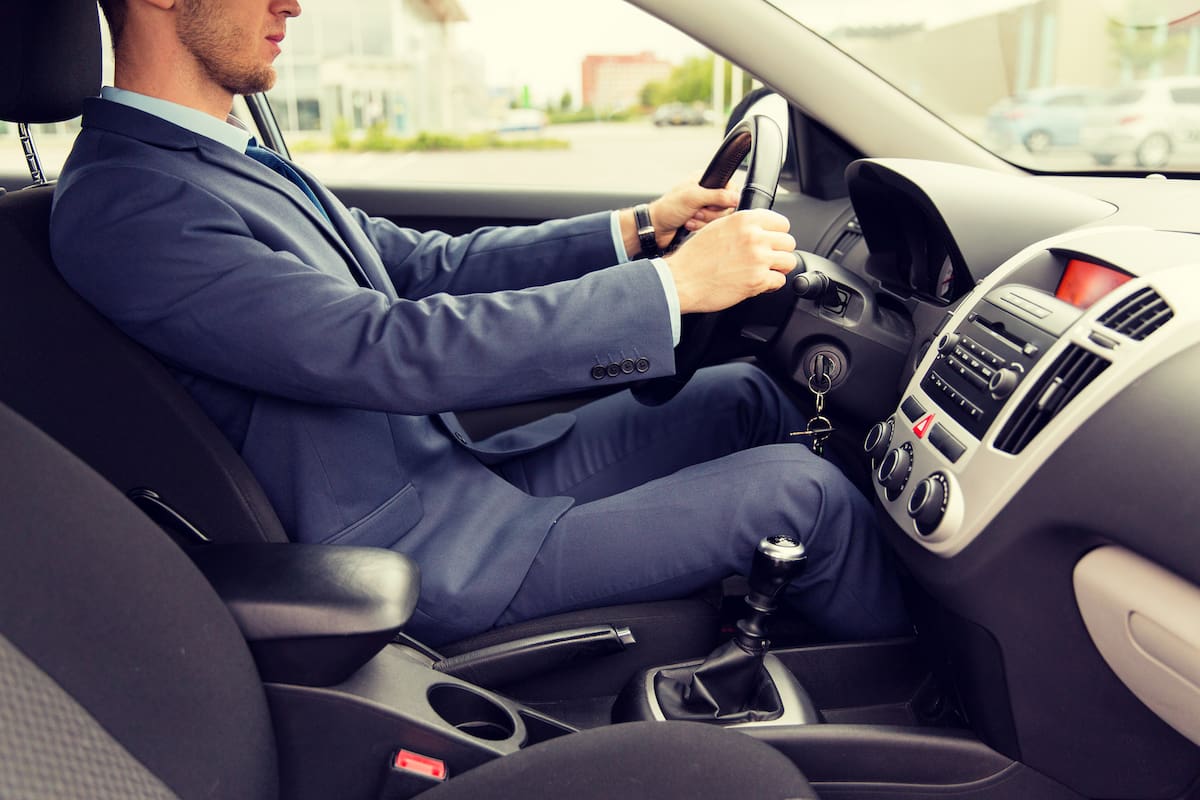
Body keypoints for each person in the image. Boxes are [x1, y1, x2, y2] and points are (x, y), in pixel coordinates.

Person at [49, 0, 909, 646]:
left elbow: (424, 270)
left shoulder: (215, 162)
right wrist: (670, 290)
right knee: (807, 498)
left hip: (455, 475)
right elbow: (378, 347)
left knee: (745, 398)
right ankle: (928, 712)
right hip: (422, 552)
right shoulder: (131, 205)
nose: (294, 3)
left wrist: (640, 229)